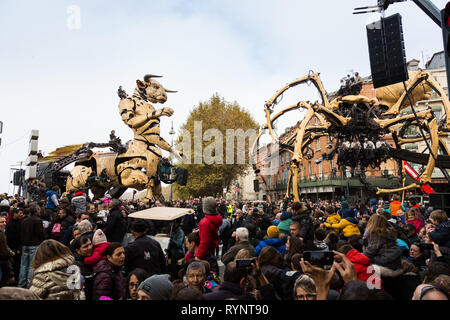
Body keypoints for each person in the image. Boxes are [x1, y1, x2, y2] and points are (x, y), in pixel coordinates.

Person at [19, 203, 46, 288]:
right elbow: (41, 234)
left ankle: (21, 283)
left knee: (23, 265)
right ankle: (29, 285)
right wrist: (44, 229)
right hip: (34, 244)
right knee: (32, 266)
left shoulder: (24, 220)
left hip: (25, 244)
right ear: (37, 210)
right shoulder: (38, 220)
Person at [195, 197, 222, 274]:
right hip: (211, 251)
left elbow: (205, 242)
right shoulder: (215, 219)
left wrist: (198, 256)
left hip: (205, 255)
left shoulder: (205, 222)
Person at [72, 235, 94, 300]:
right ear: (78, 251)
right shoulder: (75, 266)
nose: (90, 247)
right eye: (85, 246)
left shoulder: (93, 259)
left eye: (90, 244)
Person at [5, 208, 22, 283]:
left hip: (16, 248)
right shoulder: (11, 224)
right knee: (14, 265)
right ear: (14, 214)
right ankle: (13, 279)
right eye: (19, 213)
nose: (20, 215)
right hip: (13, 248)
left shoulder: (18, 222)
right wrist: (15, 248)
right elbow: (11, 238)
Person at [0, 216, 14, 286]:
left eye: (5, 221)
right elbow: (3, 249)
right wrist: (10, 253)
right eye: (2, 222)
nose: (5, 223)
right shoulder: (1, 234)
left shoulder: (2, 232)